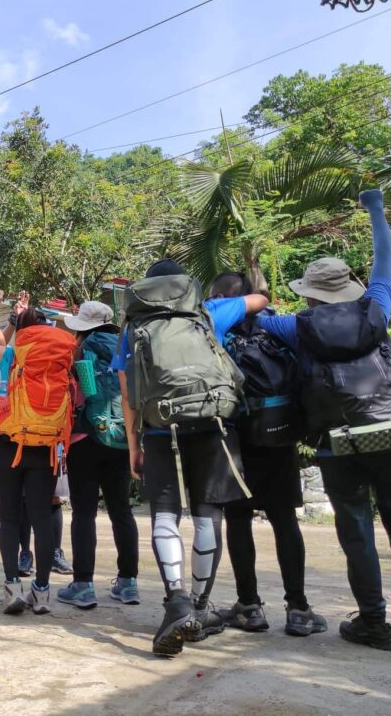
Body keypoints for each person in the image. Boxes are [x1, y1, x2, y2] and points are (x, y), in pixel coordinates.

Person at [256, 189, 391, 650]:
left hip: (336, 440)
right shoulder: (376, 308)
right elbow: (384, 257)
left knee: (355, 527)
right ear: (349, 285)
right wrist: (375, 208)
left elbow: (251, 321)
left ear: (312, 293)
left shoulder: (294, 327)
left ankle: (374, 622)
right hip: (387, 430)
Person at [115, 260, 269, 656]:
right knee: (207, 516)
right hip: (212, 420)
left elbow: (128, 392)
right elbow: (260, 300)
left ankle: (176, 601)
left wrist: (134, 447)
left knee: (166, 515)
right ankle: (199, 608)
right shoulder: (207, 311)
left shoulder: (133, 326)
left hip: (158, 427)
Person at [209, 272, 326, 637]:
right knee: (284, 521)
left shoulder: (214, 331)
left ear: (217, 298)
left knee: (238, 520)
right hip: (280, 438)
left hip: (235, 440)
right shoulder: (276, 327)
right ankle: (298, 609)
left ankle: (250, 607)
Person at [0, 290, 77, 616]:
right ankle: (41, 592)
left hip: (10, 443)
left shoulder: (11, 355)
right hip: (46, 446)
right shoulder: (61, 355)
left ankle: (13, 588)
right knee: (42, 517)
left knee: (11, 518)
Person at [58, 301, 140, 610]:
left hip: (86, 439)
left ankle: (83, 585)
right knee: (122, 511)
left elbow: (85, 391)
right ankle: (128, 582)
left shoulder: (83, 348)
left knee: (84, 514)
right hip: (121, 439)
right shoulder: (125, 346)